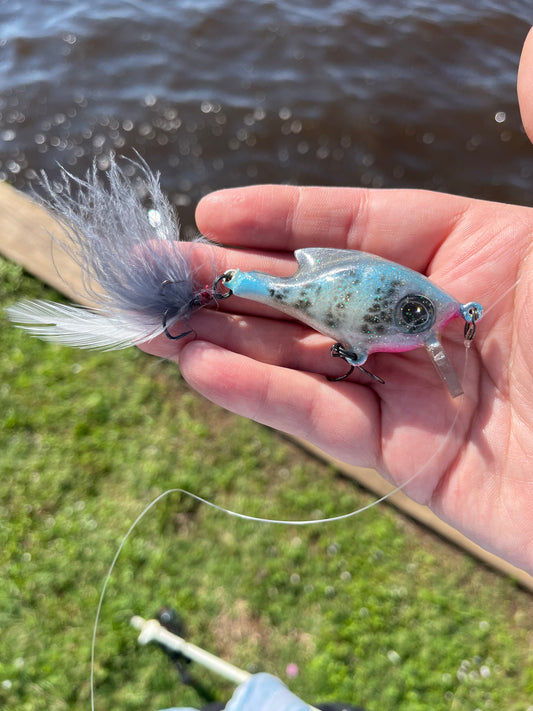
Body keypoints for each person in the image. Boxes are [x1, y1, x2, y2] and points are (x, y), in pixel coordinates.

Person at [144, 26, 533, 711]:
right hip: (331, 301)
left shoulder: (432, 311)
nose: (439, 326)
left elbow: (418, 319)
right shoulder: (428, 314)